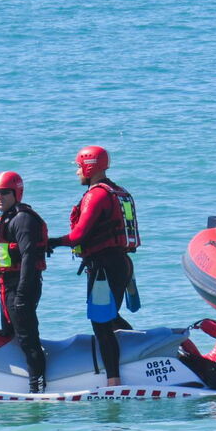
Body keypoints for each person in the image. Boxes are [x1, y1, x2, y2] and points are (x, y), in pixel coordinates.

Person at [47, 145, 140, 387]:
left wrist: (50, 243)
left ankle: (113, 381)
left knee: (101, 324)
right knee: (110, 318)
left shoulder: (96, 195)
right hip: (120, 264)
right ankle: (141, 351)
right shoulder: (117, 191)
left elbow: (77, 236)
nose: (77, 172)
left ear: (89, 166)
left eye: (79, 166)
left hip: (104, 268)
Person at [0, 171, 48, 393]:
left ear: (16, 193)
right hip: (4, 287)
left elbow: (28, 256)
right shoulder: (0, 222)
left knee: (28, 338)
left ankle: (37, 386)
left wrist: (22, 294)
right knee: (9, 336)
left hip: (22, 286)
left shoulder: (23, 219)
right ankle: (14, 380)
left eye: (4, 193)